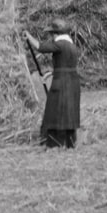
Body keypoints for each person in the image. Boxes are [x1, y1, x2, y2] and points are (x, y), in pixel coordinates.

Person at [24, 19, 81, 149]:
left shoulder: (60, 44)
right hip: (72, 82)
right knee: (69, 112)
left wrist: (28, 36)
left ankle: (54, 143)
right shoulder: (71, 45)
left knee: (54, 111)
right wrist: (51, 73)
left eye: (52, 34)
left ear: (56, 33)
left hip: (62, 83)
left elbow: (40, 47)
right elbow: (65, 65)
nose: (52, 37)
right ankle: (69, 142)